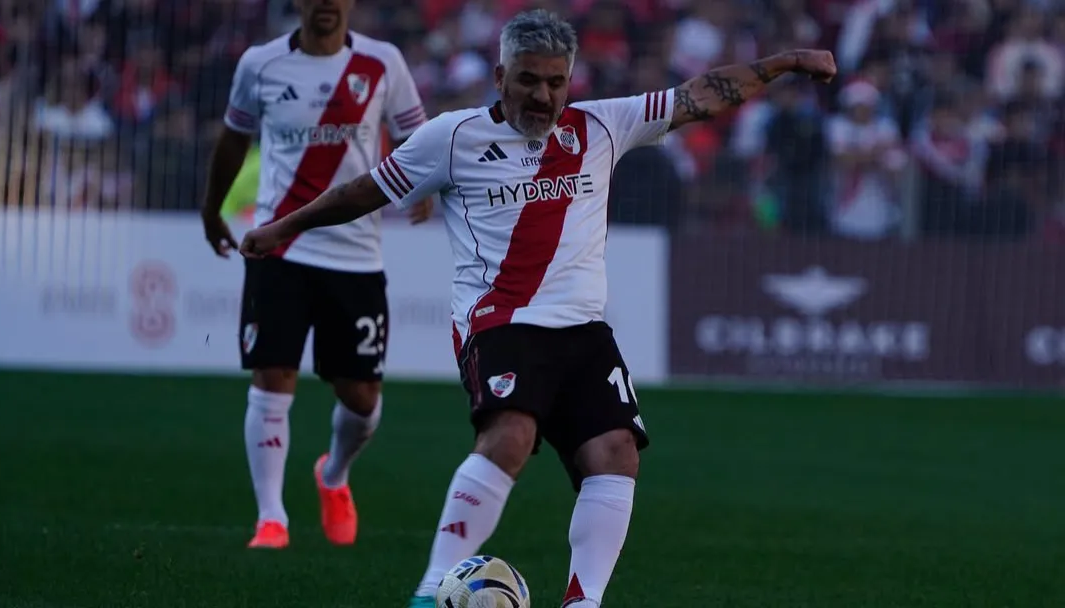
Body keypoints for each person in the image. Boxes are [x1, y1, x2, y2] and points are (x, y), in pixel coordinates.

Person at [240, 8, 835, 605]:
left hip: (583, 330)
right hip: (500, 322)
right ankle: (430, 591)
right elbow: (362, 190)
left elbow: (699, 97)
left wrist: (781, 64)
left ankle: (583, 601)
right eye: (528, 80)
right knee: (511, 437)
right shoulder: (453, 137)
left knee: (617, 452)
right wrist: (281, 229)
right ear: (500, 77)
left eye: (556, 82)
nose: (543, 94)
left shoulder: (604, 126)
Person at [200, 0, 434, 550]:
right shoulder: (259, 64)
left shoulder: (383, 63)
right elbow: (234, 138)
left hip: (355, 254)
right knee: (273, 374)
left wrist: (425, 187)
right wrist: (211, 210)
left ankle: (333, 475)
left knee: (361, 396)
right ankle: (271, 517)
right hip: (278, 245)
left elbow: (417, 136)